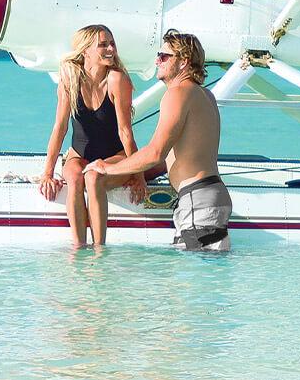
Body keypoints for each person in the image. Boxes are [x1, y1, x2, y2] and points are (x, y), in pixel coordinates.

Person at [87, 30, 231, 251]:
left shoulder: (178, 93)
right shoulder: (204, 94)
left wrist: (105, 169)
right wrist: (139, 174)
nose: (157, 61)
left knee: (194, 281)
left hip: (198, 200)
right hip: (208, 195)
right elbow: (184, 154)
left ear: (183, 62)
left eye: (164, 56)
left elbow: (155, 153)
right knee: (201, 280)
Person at [38, 25, 145, 247]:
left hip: (115, 156)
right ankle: (78, 248)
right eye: (103, 44)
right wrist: (47, 173)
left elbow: (125, 132)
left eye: (112, 43)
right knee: (77, 178)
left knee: (93, 176)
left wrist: (138, 175)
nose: (111, 49)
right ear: (85, 50)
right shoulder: (69, 79)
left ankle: (99, 250)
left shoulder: (117, 79)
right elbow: (60, 127)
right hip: (78, 155)